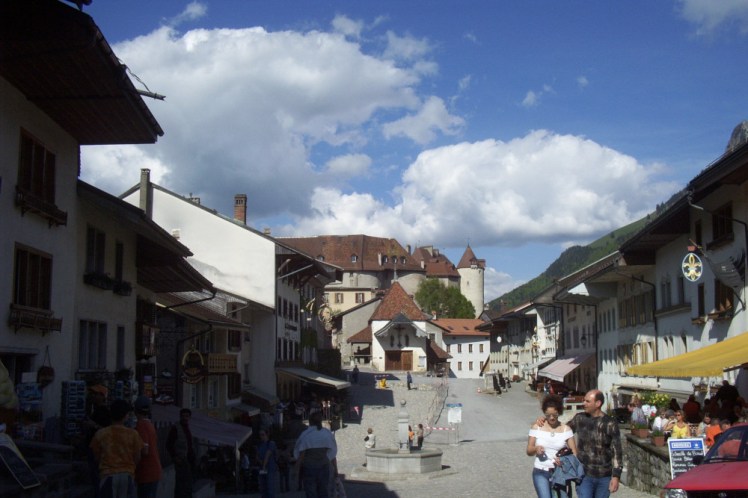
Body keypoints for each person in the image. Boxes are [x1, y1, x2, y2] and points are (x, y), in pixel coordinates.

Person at [543, 390, 622, 498]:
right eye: (584, 400)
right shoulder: (580, 418)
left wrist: (616, 476)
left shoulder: (610, 423)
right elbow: (562, 432)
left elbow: (617, 451)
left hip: (604, 476)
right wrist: (545, 421)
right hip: (584, 475)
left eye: (587, 401)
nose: (583, 403)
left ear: (598, 403)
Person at [89, 399, 143, 498]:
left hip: (108, 475)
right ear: (125, 416)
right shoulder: (133, 434)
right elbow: (137, 457)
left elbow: (96, 456)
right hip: (127, 475)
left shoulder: (101, 434)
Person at [528, 394, 578, 498]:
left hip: (560, 472)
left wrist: (564, 461)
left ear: (559, 412)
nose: (551, 418)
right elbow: (529, 450)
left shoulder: (566, 430)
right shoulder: (537, 427)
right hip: (541, 471)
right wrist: (536, 449)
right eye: (548, 415)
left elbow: (574, 453)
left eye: (554, 415)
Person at [294, 410, 338, 498]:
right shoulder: (327, 434)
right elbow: (332, 454)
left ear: (310, 422)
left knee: (311, 492)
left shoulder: (306, 435)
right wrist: (335, 469)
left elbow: (301, 455)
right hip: (323, 466)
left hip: (309, 467)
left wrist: (296, 470)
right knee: (323, 491)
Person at [133, 396, 162, 498]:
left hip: (147, 472)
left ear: (135, 410)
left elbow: (144, 450)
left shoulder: (141, 425)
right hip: (152, 471)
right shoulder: (149, 424)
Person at [166, 408, 196, 498]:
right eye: (183, 416)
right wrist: (175, 457)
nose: (185, 418)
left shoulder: (188, 428)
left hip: (189, 461)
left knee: (188, 486)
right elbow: (169, 444)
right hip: (181, 461)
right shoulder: (176, 428)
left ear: (190, 417)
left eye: (187, 416)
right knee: (181, 486)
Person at [256, 429, 278, 498]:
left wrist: (264, 465)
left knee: (270, 486)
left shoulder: (271, 443)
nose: (261, 436)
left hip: (269, 468)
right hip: (262, 468)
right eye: (260, 435)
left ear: (267, 434)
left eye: (263, 435)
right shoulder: (259, 445)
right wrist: (260, 462)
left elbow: (268, 454)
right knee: (263, 487)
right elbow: (257, 456)